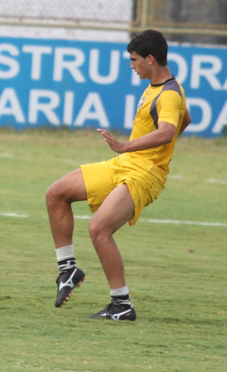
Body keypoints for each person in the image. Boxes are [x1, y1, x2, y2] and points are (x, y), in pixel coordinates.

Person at [45, 29, 191, 320]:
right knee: (56, 193)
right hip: (126, 165)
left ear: (150, 59)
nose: (132, 65)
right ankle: (68, 270)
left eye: (134, 59)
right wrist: (154, 145)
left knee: (99, 230)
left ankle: (121, 305)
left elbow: (166, 130)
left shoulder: (169, 95)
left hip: (143, 175)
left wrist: (127, 146)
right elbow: (184, 120)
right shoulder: (157, 87)